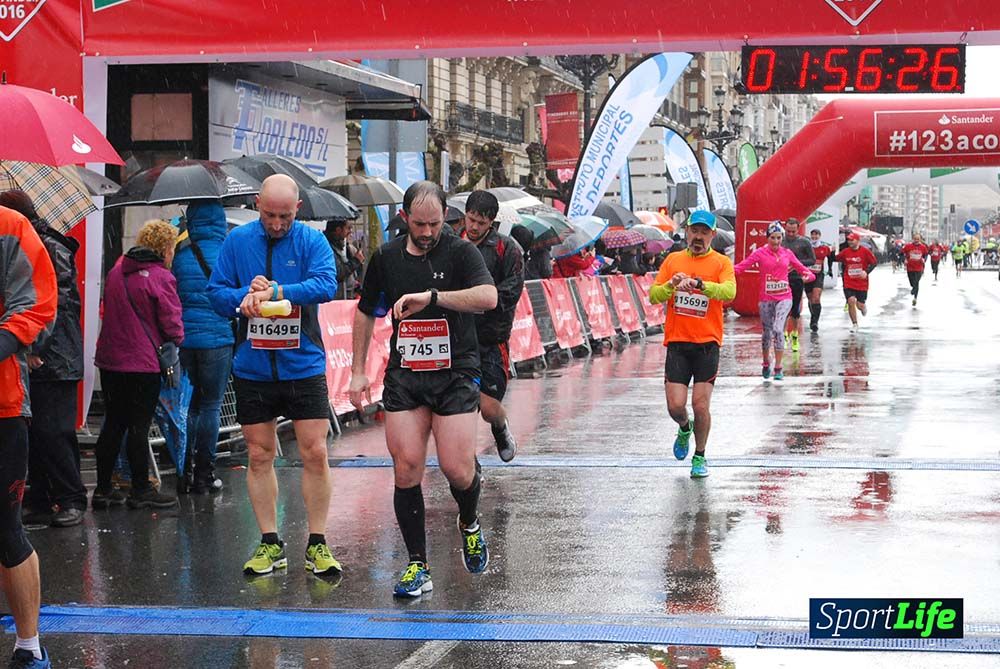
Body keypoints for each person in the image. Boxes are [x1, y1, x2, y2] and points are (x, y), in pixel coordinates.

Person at [349, 181, 497, 597]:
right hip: (407, 374)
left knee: (457, 470)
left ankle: (469, 522)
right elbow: (365, 312)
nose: (428, 232)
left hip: (455, 373)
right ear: (405, 218)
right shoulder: (386, 257)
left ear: (445, 216)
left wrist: (433, 297)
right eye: (419, 224)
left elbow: (488, 297)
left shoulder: (461, 252)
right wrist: (358, 370)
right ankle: (418, 564)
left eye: (435, 223)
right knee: (407, 467)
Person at [206, 174, 341, 578]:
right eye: (269, 215)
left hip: (303, 365)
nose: (277, 224)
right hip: (254, 367)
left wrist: (278, 292)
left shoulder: (312, 241)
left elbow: (326, 284)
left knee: (315, 452)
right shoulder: (237, 241)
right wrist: (244, 299)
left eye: (285, 217)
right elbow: (216, 294)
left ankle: (317, 543)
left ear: (297, 210)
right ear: (257, 206)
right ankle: (269, 542)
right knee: (259, 454)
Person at [0, 192, 87, 528]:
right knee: (36, 433)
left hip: (54, 356)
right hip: (38, 354)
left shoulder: (46, 246)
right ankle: (40, 498)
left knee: (53, 431)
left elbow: (54, 305)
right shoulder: (37, 243)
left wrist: (37, 347)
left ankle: (71, 497)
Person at [0, 204, 57, 669]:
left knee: (5, 529)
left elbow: (37, 306)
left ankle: (28, 644)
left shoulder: (10, 227)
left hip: (2, 405)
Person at [94, 219, 183, 510]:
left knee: (113, 423)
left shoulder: (117, 269)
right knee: (139, 426)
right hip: (143, 362)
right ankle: (141, 489)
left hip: (110, 360)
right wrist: (176, 341)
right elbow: (171, 323)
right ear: (165, 247)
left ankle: (103, 489)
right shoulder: (161, 277)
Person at [648, 211, 735, 478]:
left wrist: (700, 284)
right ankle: (685, 427)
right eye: (694, 231)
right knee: (675, 406)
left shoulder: (721, 263)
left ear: (712, 235)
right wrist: (671, 285)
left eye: (704, 232)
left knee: (700, 405)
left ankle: (700, 456)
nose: (698, 237)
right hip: (678, 343)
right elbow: (654, 295)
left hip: (707, 343)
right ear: (686, 232)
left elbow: (729, 292)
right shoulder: (673, 260)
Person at [172, 201, 234, 494]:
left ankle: (184, 470)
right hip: (218, 338)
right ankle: (205, 474)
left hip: (185, 340)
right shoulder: (227, 253)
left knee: (190, 406)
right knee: (211, 406)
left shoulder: (181, 254)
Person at [462, 190, 524, 462]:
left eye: (481, 222)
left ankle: (500, 427)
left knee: (488, 407)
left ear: (491, 222)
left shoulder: (507, 249)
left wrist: (482, 300)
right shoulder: (453, 244)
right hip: (459, 341)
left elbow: (513, 289)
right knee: (460, 408)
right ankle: (467, 465)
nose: (474, 227)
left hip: (491, 340)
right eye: (471, 219)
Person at [734, 221, 815, 381]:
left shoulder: (787, 253)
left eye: (779, 238)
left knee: (778, 329)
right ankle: (766, 362)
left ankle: (778, 367)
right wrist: (722, 272)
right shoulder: (760, 253)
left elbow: (805, 271)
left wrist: (808, 276)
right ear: (767, 238)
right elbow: (741, 267)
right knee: (767, 333)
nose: (776, 241)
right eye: (773, 238)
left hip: (784, 297)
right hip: (766, 299)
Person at [780, 218, 814, 353]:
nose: (790, 234)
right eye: (788, 231)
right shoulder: (780, 241)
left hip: (797, 278)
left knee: (795, 309)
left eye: (793, 232)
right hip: (781, 279)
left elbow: (812, 260)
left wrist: (796, 263)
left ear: (798, 229)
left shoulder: (804, 242)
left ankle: (794, 334)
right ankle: (783, 335)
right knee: (782, 309)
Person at [835, 232, 878, 332]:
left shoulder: (865, 251)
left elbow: (874, 263)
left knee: (859, 305)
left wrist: (866, 272)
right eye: (848, 240)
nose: (850, 242)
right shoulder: (846, 252)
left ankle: (863, 307)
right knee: (851, 301)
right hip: (848, 281)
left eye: (852, 240)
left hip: (861, 283)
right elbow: (836, 258)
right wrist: (831, 252)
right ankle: (855, 324)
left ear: (858, 241)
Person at [323, 218, 365, 300]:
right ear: (338, 230)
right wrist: (356, 261)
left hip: (347, 294)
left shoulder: (344, 246)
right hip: (337, 298)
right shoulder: (327, 248)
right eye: (348, 228)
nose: (350, 231)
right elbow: (338, 272)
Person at [805, 228, 833, 333]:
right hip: (808, 275)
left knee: (816, 298)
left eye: (816, 235)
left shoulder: (824, 248)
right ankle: (813, 315)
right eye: (812, 235)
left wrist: (830, 269)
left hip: (818, 276)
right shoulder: (807, 247)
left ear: (819, 236)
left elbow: (830, 257)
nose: (814, 237)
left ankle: (814, 322)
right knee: (810, 299)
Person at [901, 233, 929, 307]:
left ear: (920, 239)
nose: (916, 240)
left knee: (916, 282)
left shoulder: (923, 247)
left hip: (919, 268)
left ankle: (915, 298)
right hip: (910, 267)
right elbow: (901, 253)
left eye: (918, 239)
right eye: (915, 239)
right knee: (912, 283)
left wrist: (924, 260)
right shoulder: (908, 246)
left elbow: (926, 254)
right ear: (913, 239)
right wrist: (904, 260)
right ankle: (913, 289)